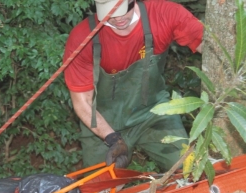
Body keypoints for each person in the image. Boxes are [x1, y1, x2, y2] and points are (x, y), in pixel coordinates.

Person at [63, 0, 203, 171]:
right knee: (100, 190)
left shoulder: (164, 14)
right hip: (103, 121)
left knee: (188, 169)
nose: (118, 18)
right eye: (110, 14)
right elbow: (82, 103)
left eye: (123, 10)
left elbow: (211, 46)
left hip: (154, 113)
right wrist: (112, 139)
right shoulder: (83, 38)